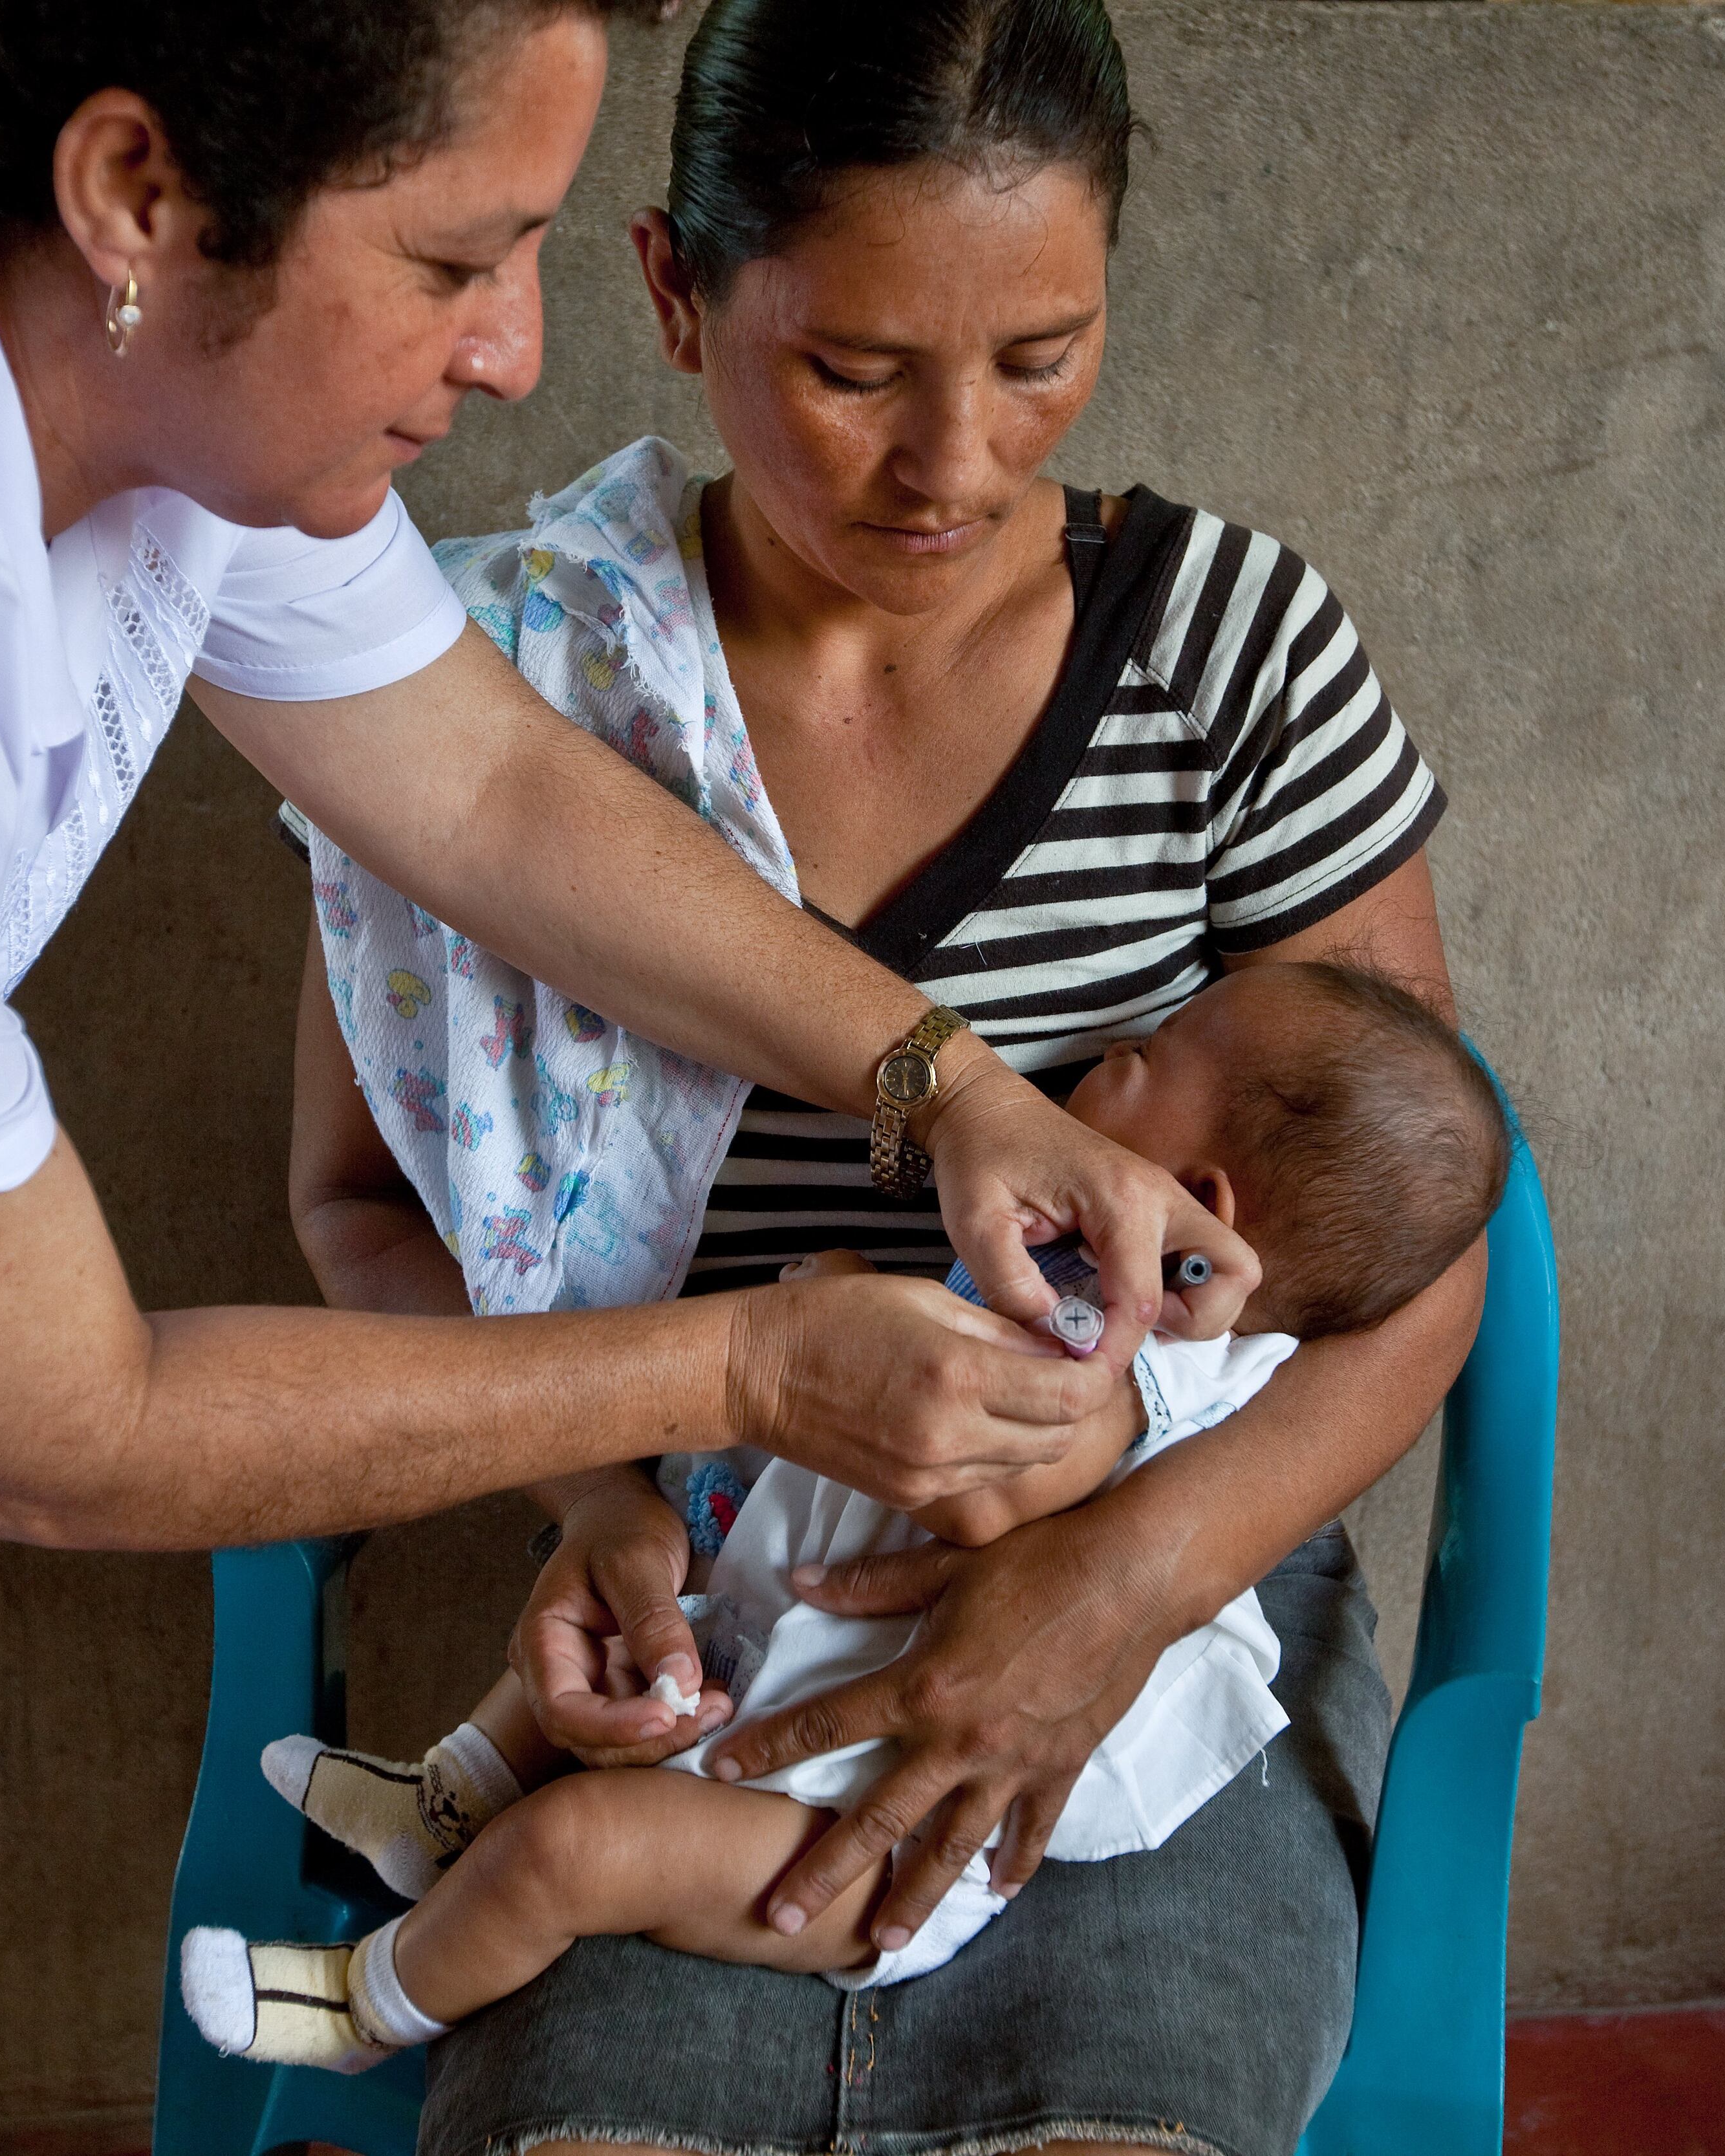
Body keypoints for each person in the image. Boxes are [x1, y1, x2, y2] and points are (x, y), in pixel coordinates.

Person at [0, 3, 1252, 2149]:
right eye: (454, 266)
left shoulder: (155, 330)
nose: (523, 349)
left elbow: (486, 799)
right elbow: (50, 1423)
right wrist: (746, 1372)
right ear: (136, 194)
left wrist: (947, 1082)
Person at [278, 3, 1490, 2151]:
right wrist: (606, 1502)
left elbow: (1411, 1260)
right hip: (717, 1602)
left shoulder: (1225, 660)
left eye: (1041, 355)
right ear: (668, 289)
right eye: (852, 371)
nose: (956, 465)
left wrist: (1113, 1584)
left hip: (1180, 1600)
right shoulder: (499, 696)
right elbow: (367, 1208)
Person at [192, 962, 1508, 2067]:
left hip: (844, 1815)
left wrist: (825, 1340)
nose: (1106, 1050)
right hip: (772, 1619)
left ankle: (368, 1999)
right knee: (598, 1646)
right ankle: (442, 1805)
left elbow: (989, 1486)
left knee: (571, 1850)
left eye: (1147, 1053)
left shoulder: (1140, 1359)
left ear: (1201, 1207)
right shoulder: (1080, 1279)